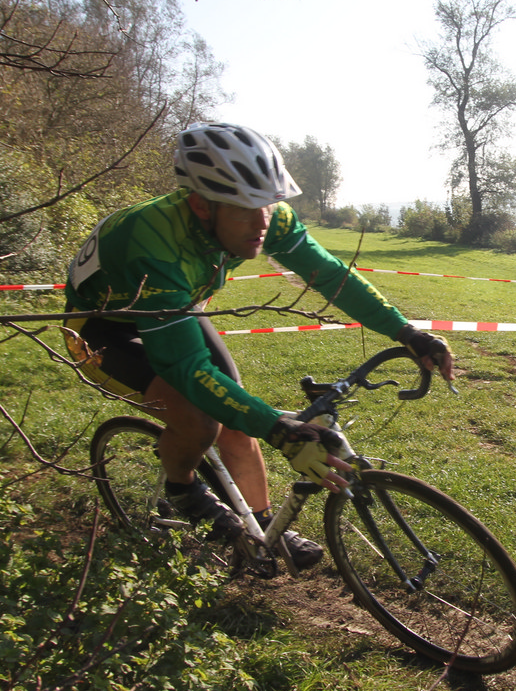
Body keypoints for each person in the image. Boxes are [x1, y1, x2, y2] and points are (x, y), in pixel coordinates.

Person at [63, 122, 455, 568]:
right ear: (201, 205)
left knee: (235, 409)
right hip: (100, 329)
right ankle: (182, 486)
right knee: (201, 415)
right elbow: (186, 369)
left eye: (268, 204)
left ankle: (264, 529)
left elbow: (332, 277)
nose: (261, 223)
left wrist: (407, 332)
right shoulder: (152, 241)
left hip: (174, 307)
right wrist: (278, 429)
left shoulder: (267, 218)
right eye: (244, 210)